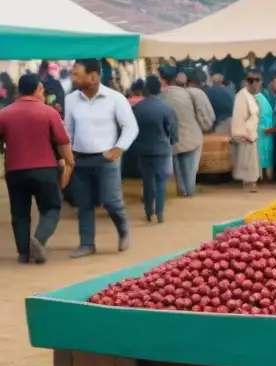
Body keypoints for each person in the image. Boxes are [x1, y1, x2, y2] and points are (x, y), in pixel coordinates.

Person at [64, 58, 139, 257]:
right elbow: (68, 129)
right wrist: (67, 154)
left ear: (94, 76)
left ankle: (123, 230)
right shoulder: (71, 100)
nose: (73, 78)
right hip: (80, 159)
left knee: (111, 201)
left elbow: (130, 127)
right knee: (84, 204)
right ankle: (87, 244)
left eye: (77, 74)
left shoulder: (115, 98)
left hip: (107, 159)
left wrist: (118, 149)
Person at [0, 73, 74, 263]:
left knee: (20, 212)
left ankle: (23, 253)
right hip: (44, 170)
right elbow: (63, 142)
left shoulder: (4, 114)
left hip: (15, 171)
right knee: (51, 207)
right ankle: (39, 240)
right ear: (38, 89)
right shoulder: (49, 113)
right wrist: (70, 162)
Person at [161, 68, 214, 197]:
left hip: (172, 139)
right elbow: (206, 116)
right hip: (191, 137)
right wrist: (206, 127)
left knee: (178, 169)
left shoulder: (163, 95)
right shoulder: (193, 93)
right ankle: (190, 192)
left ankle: (182, 190)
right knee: (190, 170)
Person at [132, 75, 178, 223]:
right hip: (161, 148)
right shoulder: (166, 107)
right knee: (160, 181)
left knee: (147, 181)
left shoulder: (138, 108)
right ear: (160, 89)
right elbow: (173, 129)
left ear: (145, 90)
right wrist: (172, 140)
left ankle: (148, 210)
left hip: (143, 149)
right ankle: (159, 212)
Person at [231, 72, 262, 192]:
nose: (257, 88)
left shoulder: (250, 96)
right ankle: (248, 183)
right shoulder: (242, 96)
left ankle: (251, 181)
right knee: (247, 160)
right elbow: (239, 116)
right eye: (256, 85)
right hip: (246, 133)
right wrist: (243, 134)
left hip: (252, 133)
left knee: (251, 159)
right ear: (249, 84)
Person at [255, 85, 274, 180]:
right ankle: (268, 176)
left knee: (258, 155)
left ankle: (259, 177)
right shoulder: (263, 98)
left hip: (260, 130)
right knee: (266, 154)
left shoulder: (255, 98)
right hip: (267, 129)